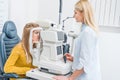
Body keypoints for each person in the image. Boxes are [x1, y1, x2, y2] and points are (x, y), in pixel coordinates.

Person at [53, 0, 101, 80]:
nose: (73, 15)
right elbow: (89, 57)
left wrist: (69, 78)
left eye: (75, 13)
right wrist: (74, 58)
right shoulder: (85, 30)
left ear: (83, 13)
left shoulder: (87, 32)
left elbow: (85, 63)